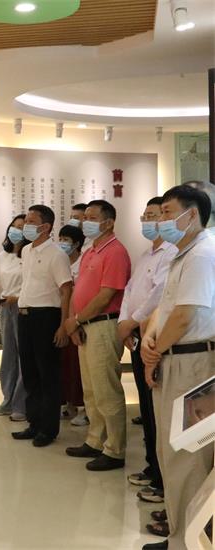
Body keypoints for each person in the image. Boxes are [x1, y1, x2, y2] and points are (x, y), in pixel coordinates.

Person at [140, 184, 215, 550]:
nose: (162, 221)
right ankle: (178, 536)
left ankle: (186, 543)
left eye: (169, 213)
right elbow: (165, 307)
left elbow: (186, 315)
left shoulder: (203, 253)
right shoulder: (182, 253)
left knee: (188, 456)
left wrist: (154, 352)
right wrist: (151, 338)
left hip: (192, 363)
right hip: (175, 357)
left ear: (192, 214)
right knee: (171, 454)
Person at [116, 197, 177, 513]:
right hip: (138, 334)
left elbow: (159, 295)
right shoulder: (145, 255)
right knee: (146, 406)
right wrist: (125, 323)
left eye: (157, 215)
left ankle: (163, 479)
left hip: (156, 337)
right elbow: (129, 291)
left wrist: (133, 321)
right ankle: (152, 467)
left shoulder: (172, 253)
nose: (149, 221)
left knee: (158, 410)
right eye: (147, 215)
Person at [64, 200, 132, 471]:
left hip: (103, 325)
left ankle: (115, 450)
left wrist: (76, 320)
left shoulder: (115, 251)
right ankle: (95, 440)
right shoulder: (90, 251)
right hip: (85, 325)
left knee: (106, 390)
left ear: (109, 222)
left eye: (92, 218)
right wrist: (74, 322)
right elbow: (79, 289)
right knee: (91, 390)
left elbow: (106, 296)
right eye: (85, 218)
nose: (85, 223)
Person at [12, 205, 73, 447]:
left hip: (47, 316)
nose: (26, 225)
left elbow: (66, 290)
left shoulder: (57, 254)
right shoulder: (26, 250)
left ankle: (48, 429)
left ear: (45, 227)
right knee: (30, 373)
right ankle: (34, 422)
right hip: (25, 315)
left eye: (31, 221)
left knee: (47, 374)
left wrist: (63, 325)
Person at [0, 215, 27, 420]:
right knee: (8, 355)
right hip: (5, 308)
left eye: (21, 227)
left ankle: (21, 404)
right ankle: (7, 400)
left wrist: (17, 298)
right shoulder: (2, 256)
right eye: (14, 226)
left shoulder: (29, 254)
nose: (16, 230)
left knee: (23, 356)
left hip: (23, 307)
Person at [57, 225, 89, 427]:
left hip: (78, 317)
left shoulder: (84, 261)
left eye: (66, 240)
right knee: (65, 364)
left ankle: (84, 408)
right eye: (60, 238)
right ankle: (68, 403)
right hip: (61, 316)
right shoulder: (59, 261)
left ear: (77, 243)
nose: (62, 243)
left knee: (79, 366)